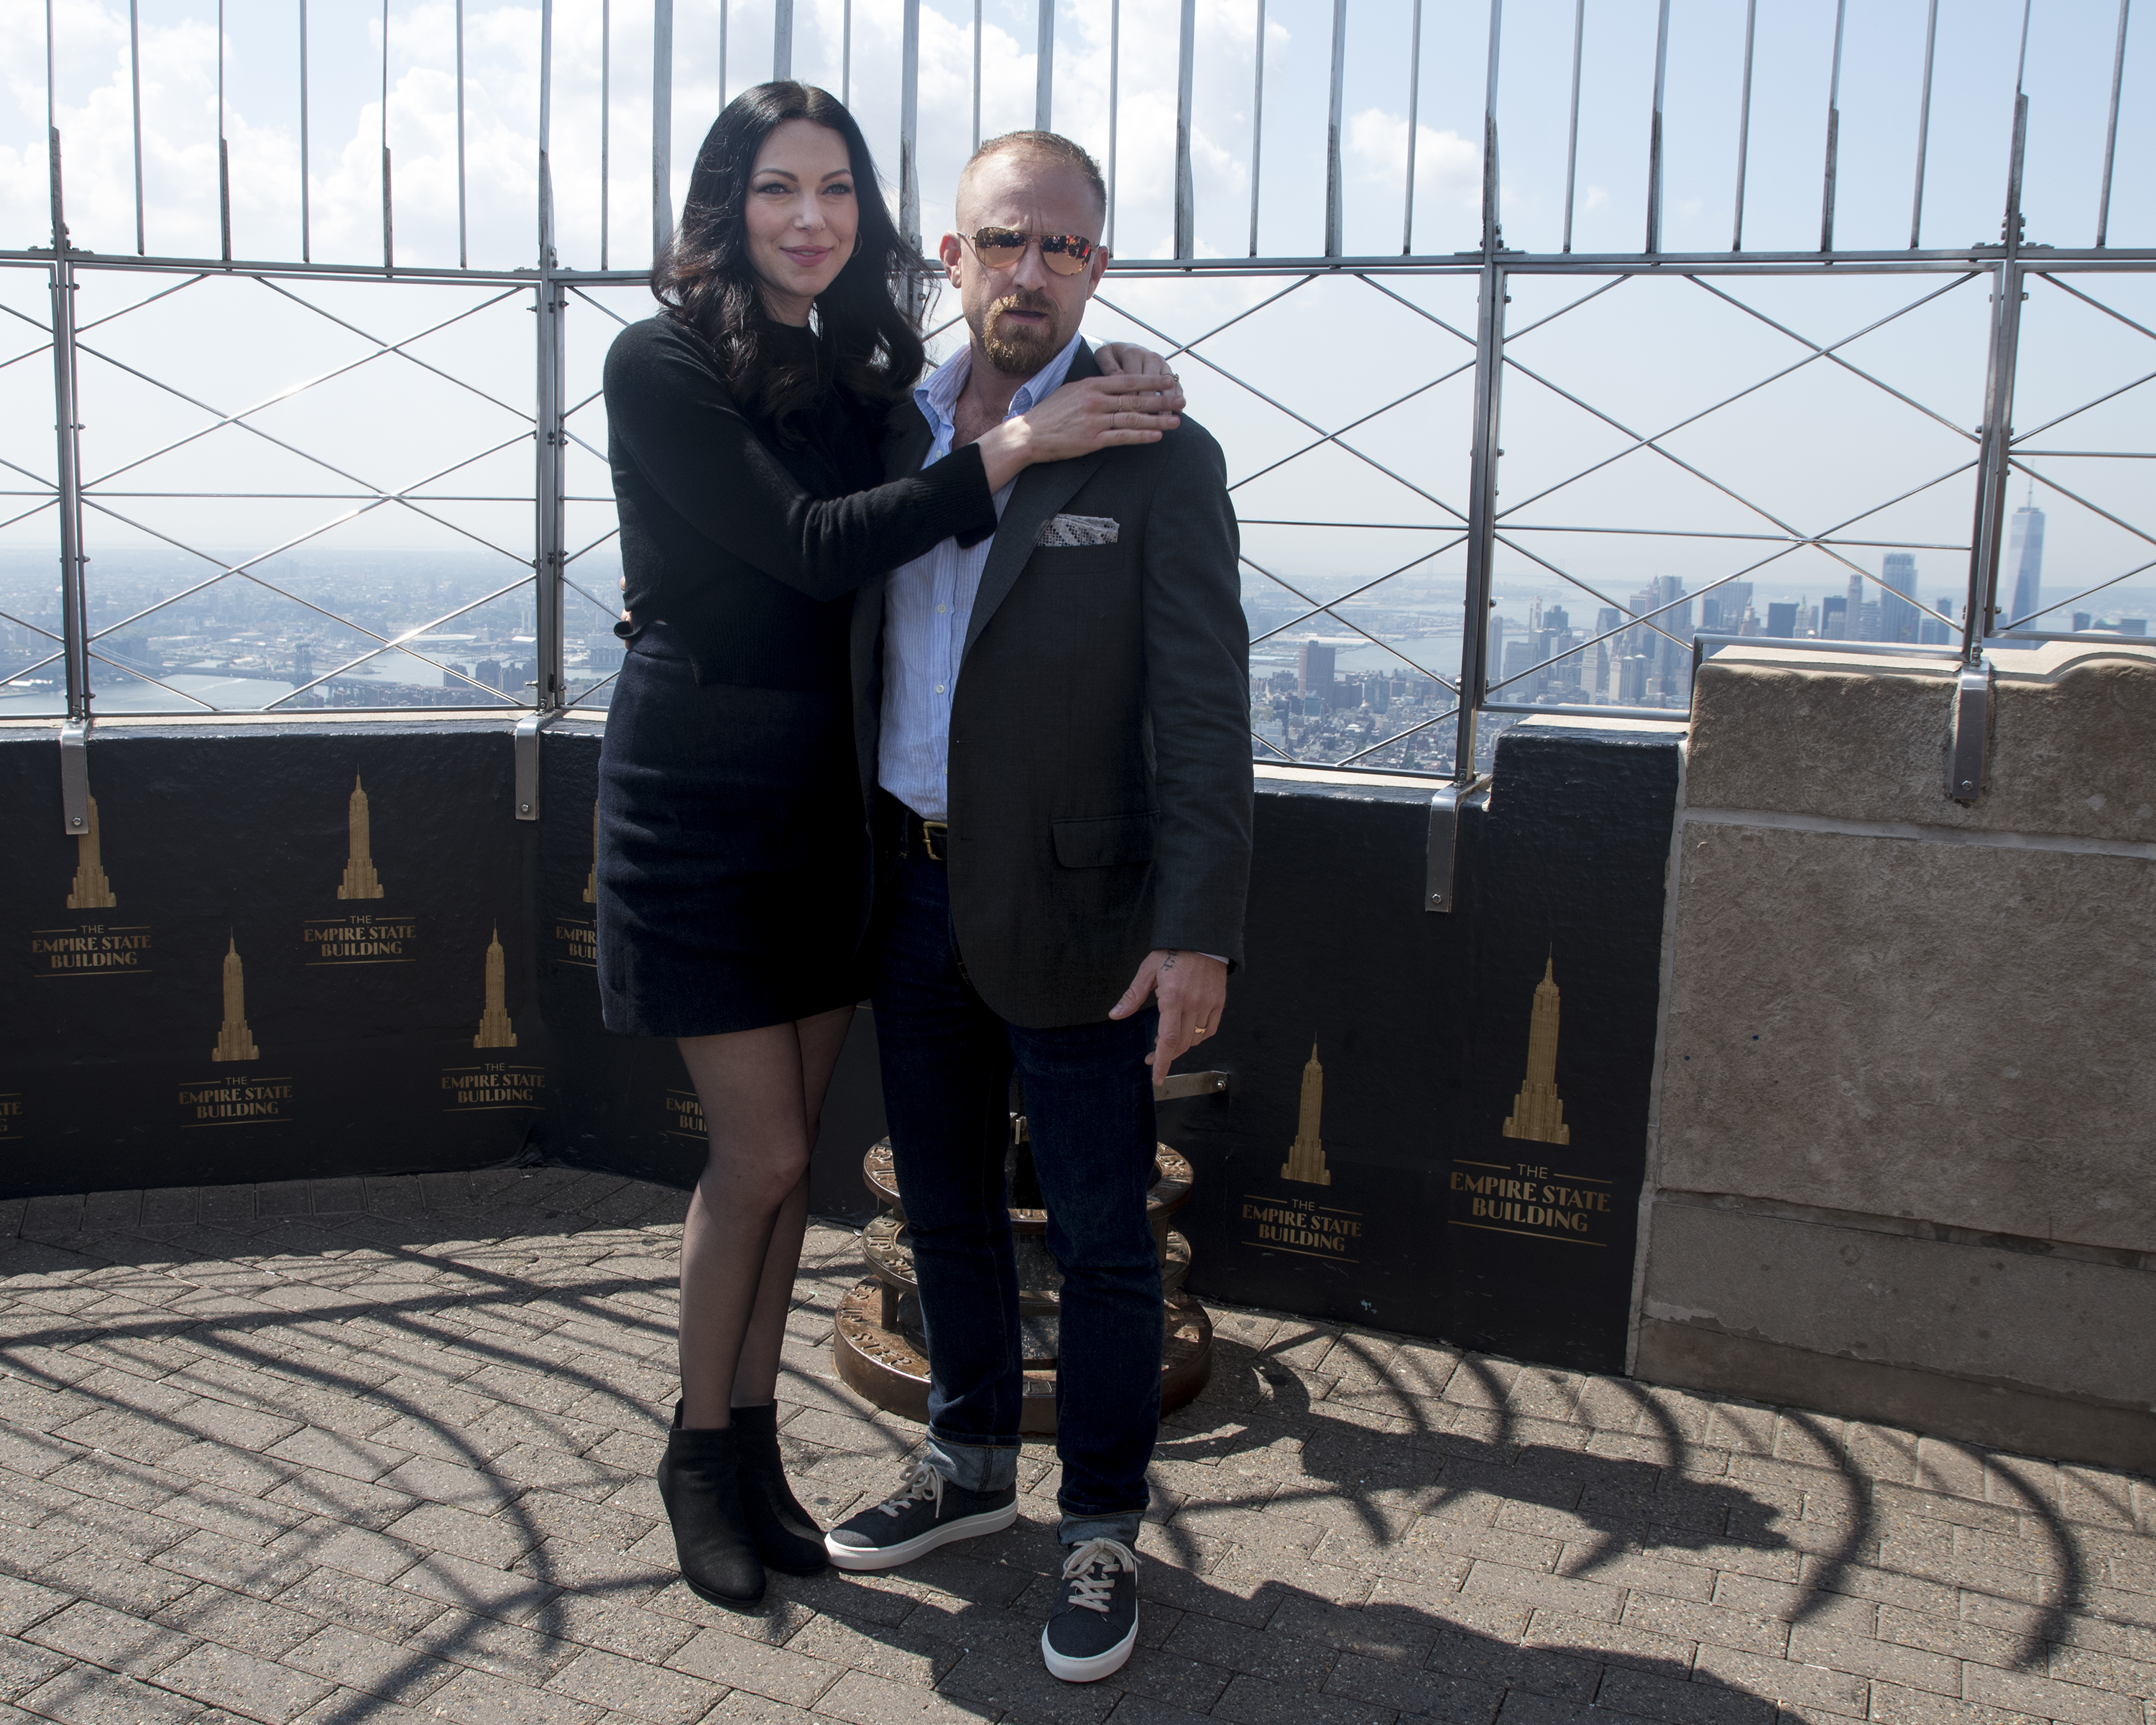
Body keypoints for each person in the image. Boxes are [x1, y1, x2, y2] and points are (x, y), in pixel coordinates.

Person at [595, 84, 1183, 1611]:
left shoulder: (867, 382)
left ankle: (766, 1449)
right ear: (725, 205)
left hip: (830, 818)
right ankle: (696, 1453)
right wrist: (1027, 437)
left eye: (834, 189)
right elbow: (816, 545)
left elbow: (1186, 681)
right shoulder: (663, 363)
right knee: (771, 1153)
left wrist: (1083, 387)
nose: (809, 217)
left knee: (819, 1176)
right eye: (778, 188)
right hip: (710, 799)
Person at [822, 131, 1253, 1685]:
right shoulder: (883, 434)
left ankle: (1102, 1528)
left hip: (1086, 914)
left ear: (1100, 266)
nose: (1029, 271)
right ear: (949, 256)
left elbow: (1204, 711)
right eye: (1002, 241)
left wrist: (1197, 928)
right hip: (912, 894)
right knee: (942, 1215)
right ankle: (967, 1463)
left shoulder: (1156, 451)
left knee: (1103, 1237)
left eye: (1061, 248)